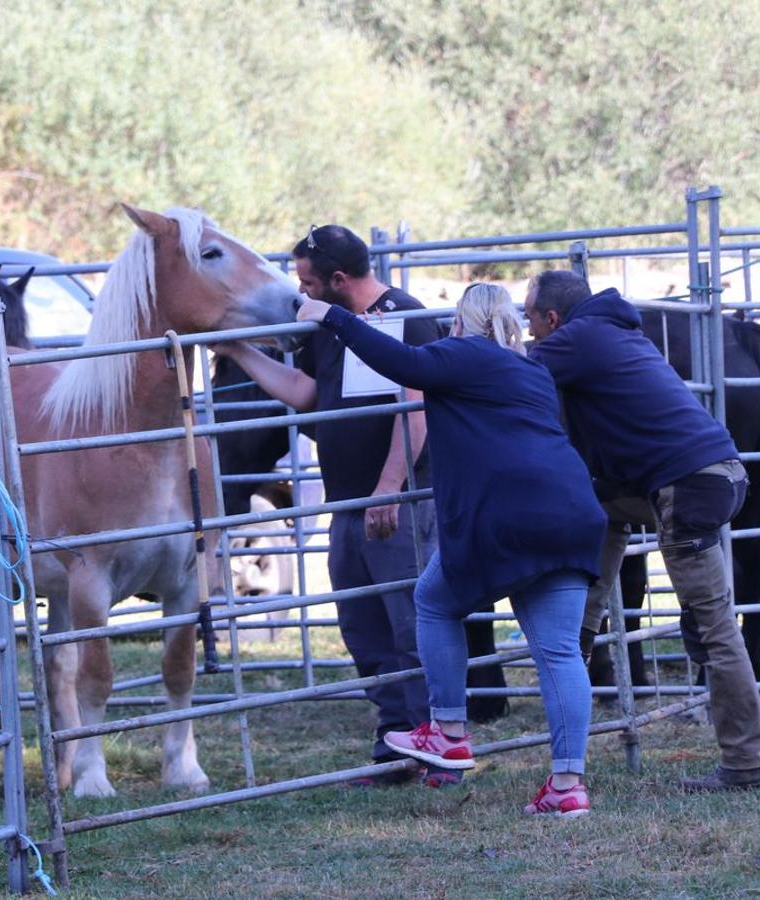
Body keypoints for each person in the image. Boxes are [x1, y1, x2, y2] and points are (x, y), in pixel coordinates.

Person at [297, 283, 605, 817]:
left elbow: (400, 361)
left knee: (435, 602)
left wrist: (333, 317)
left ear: (462, 320)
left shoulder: (464, 353)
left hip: (503, 516)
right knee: (557, 653)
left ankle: (448, 731)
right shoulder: (531, 370)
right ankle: (567, 785)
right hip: (571, 512)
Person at [525, 270, 760, 792]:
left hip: (688, 488)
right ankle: (581, 630)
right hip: (710, 475)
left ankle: (748, 764)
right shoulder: (612, 330)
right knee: (603, 507)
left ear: (551, 319)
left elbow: (509, 376)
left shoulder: (577, 338)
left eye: (529, 318)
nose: (529, 329)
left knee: (714, 629)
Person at [216, 224, 443, 784]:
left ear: (339, 280)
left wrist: (389, 488)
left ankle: (437, 744)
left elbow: (416, 409)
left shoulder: (403, 317)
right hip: (347, 502)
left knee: (412, 625)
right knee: (364, 628)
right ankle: (395, 744)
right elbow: (307, 394)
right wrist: (238, 350)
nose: (302, 291)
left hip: (398, 501)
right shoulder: (327, 326)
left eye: (309, 282)